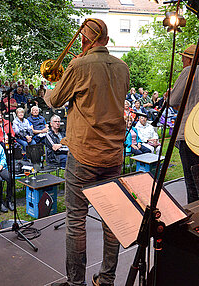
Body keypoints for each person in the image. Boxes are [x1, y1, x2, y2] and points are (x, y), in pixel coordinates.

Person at [47, 18, 129, 286]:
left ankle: (75, 283)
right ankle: (106, 279)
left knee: (76, 221)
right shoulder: (123, 67)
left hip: (83, 155)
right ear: (106, 39)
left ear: (84, 40)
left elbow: (56, 99)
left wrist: (48, 88)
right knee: (111, 220)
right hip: (113, 154)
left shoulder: (78, 65)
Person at [170, 44, 199, 203]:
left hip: (189, 133)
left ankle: (195, 219)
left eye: (182, 60)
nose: (182, 63)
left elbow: (174, 100)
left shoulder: (189, 71)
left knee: (192, 183)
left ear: (188, 59)